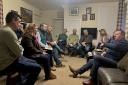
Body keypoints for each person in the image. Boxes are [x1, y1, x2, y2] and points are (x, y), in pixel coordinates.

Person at [0, 11, 41, 85]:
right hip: (7, 63)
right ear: (13, 20)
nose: (19, 25)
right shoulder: (8, 32)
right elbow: (20, 53)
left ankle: (20, 79)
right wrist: (20, 47)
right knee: (37, 67)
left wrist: (19, 46)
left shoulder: (4, 29)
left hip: (10, 58)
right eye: (19, 22)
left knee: (34, 62)